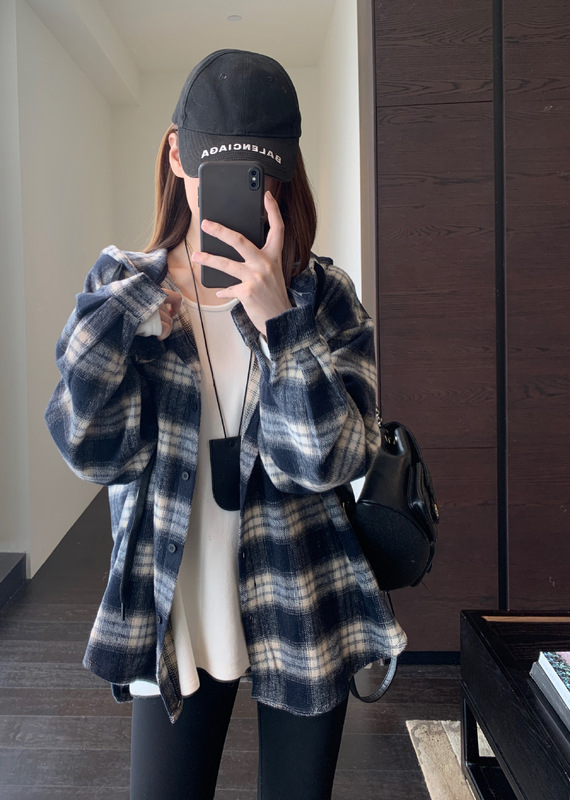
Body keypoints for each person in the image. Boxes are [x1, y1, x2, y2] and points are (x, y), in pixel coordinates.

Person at [45, 49, 406, 800]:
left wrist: (281, 327)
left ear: (286, 173)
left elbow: (331, 461)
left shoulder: (324, 296)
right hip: (174, 604)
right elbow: (95, 453)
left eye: (262, 173)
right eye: (222, 169)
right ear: (178, 155)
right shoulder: (124, 291)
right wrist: (126, 320)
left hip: (303, 596)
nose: (248, 191)